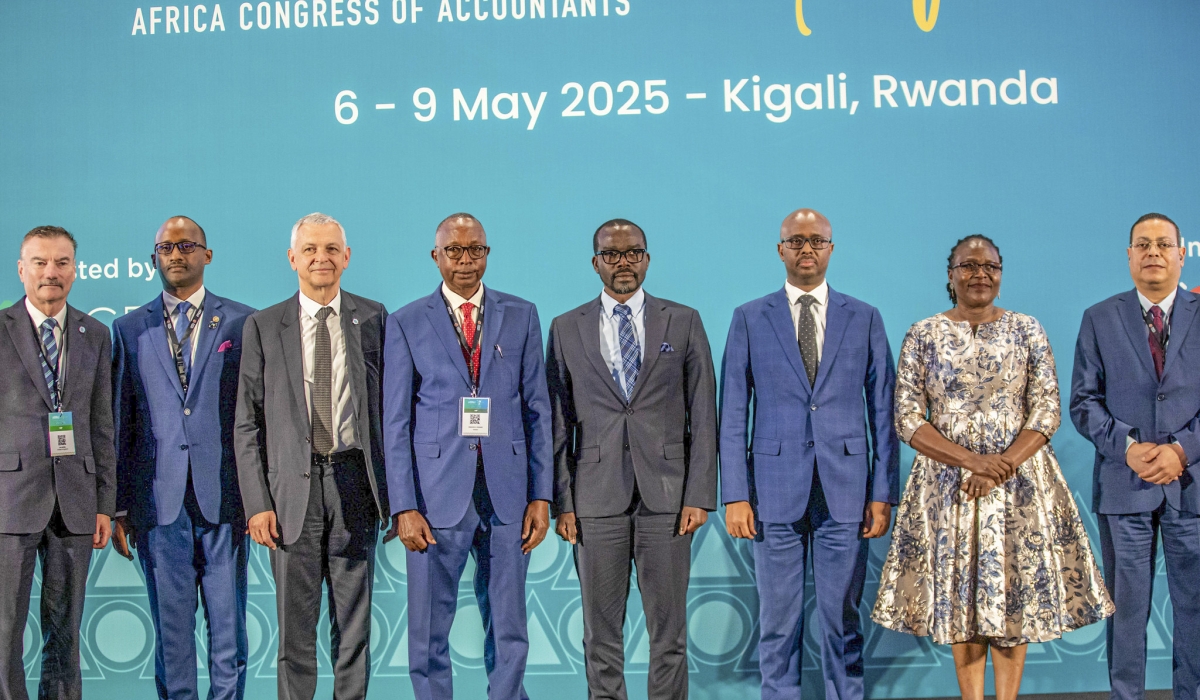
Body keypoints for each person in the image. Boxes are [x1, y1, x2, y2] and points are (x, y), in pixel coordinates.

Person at [874, 234, 1113, 700]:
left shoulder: (1027, 328)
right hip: (948, 484)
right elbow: (905, 416)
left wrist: (1000, 465)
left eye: (990, 266)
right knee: (963, 597)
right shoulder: (923, 333)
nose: (979, 273)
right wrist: (972, 462)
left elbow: (1045, 409)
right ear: (950, 275)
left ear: (1001, 275)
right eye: (968, 265)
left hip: (1020, 482)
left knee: (1012, 594)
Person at [719, 208, 898, 700]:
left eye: (816, 241)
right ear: (779, 250)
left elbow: (883, 412)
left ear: (831, 249)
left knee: (842, 621)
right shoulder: (750, 317)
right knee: (778, 623)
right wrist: (735, 494)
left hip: (847, 489)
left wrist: (882, 493)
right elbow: (732, 413)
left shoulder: (864, 317)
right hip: (773, 490)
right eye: (795, 241)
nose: (806, 249)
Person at [546, 219, 718, 699]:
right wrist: (563, 501)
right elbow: (557, 425)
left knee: (669, 636)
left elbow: (704, 415)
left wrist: (699, 495)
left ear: (647, 258)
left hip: (667, 498)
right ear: (595, 262)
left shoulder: (683, 320)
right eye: (612, 254)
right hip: (594, 500)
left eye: (633, 252)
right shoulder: (565, 327)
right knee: (601, 636)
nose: (624, 262)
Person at [384, 213, 552, 700]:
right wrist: (404, 505)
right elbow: (395, 422)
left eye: (474, 250)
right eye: (453, 251)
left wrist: (541, 496)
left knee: (510, 627)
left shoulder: (521, 314)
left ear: (487, 254)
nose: (464, 261)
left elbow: (538, 409)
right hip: (435, 499)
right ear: (435, 256)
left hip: (507, 494)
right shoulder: (407, 321)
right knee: (428, 631)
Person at [234, 213, 388, 700]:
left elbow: (391, 414)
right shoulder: (262, 325)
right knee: (294, 636)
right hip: (289, 495)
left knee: (354, 630)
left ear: (346, 257)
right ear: (292, 258)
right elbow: (246, 422)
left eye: (330, 249)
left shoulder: (375, 317)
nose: (320, 258)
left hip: (354, 484)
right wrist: (257, 502)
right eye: (310, 249)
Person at [111, 216, 253, 700]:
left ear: (206, 255)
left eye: (186, 245)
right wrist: (121, 507)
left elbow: (253, 417)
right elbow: (122, 422)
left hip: (226, 500)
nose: (176, 254)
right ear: (154, 257)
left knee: (228, 633)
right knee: (172, 639)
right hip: (158, 503)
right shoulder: (128, 328)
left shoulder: (242, 321)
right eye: (165, 247)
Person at [1070, 213, 1200, 700]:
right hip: (1126, 488)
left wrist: (1183, 450)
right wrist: (1129, 446)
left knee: (1195, 609)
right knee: (1126, 614)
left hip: (1192, 487)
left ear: (1180, 254)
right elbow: (1083, 402)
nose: (1153, 252)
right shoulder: (1099, 318)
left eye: (1163, 244)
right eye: (1142, 244)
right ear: (1128, 256)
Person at [0, 226, 114, 700]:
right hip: (10, 501)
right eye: (41, 263)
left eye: (62, 262)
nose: (52, 272)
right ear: (21, 269)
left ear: (75, 269)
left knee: (66, 631)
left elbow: (102, 424)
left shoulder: (96, 334)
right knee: (5, 629)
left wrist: (105, 504)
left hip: (76, 501)